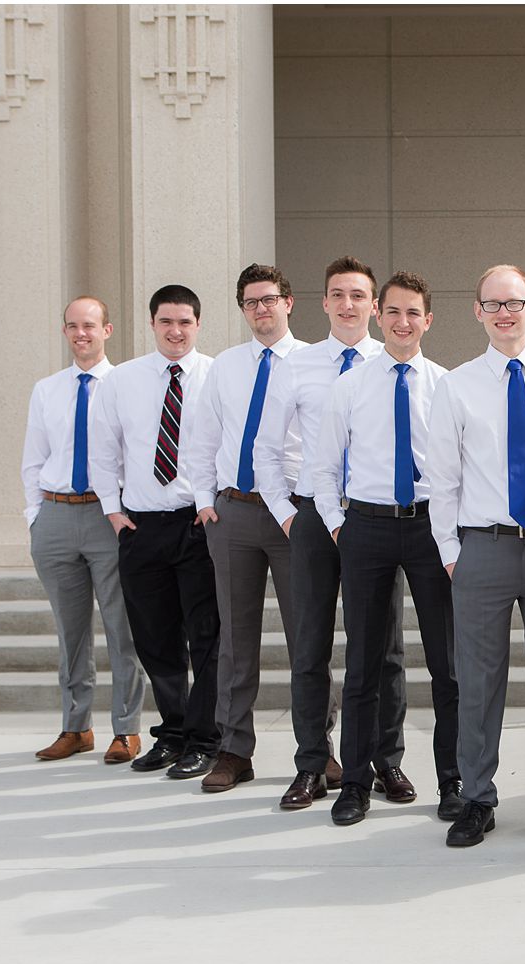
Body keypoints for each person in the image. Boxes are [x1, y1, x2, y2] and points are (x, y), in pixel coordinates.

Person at [425, 264, 525, 848]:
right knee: (478, 680)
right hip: (481, 549)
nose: (505, 313)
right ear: (478, 312)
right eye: (494, 304)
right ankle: (477, 796)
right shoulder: (456, 385)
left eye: (515, 302)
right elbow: (443, 477)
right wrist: (450, 552)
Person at [254, 256, 407, 810]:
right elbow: (266, 449)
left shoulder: (395, 360)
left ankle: (384, 761)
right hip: (314, 517)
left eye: (359, 296)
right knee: (311, 644)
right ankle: (313, 763)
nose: (348, 304)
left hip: (374, 517)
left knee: (382, 647)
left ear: (374, 305)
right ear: (323, 302)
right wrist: (288, 514)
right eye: (338, 294)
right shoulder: (297, 366)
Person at [313, 270, 462, 825]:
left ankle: (453, 781)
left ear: (429, 319)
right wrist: (338, 526)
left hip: (429, 529)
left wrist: (450, 533)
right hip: (367, 530)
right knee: (365, 663)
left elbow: (456, 467)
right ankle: (355, 782)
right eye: (393, 312)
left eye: (413, 313)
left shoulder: (446, 385)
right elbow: (323, 468)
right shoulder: (350, 386)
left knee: (447, 666)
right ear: (380, 315)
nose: (403, 323)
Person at [181, 264, 306, 793]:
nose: (261, 309)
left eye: (269, 299)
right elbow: (201, 436)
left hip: (296, 516)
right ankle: (234, 750)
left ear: (289, 303)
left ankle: (316, 752)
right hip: (232, 513)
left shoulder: (314, 363)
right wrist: (204, 501)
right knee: (235, 639)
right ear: (242, 309)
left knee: (309, 637)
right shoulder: (226, 367)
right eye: (251, 302)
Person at [89, 284, 220, 777]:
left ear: (198, 324)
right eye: (166, 321)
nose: (176, 330)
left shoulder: (214, 375)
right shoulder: (122, 380)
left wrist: (211, 506)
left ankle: (205, 739)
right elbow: (103, 450)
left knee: (207, 636)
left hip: (198, 523)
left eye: (185, 321)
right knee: (155, 638)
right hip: (142, 527)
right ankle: (174, 732)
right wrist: (113, 512)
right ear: (152, 324)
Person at [21, 296, 145, 764]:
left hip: (107, 515)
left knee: (121, 626)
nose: (81, 334)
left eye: (90, 325)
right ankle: (75, 727)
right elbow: (33, 459)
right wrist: (35, 518)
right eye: (72, 326)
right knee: (70, 631)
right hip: (55, 517)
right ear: (65, 332)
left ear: (107, 330)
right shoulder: (47, 389)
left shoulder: (126, 384)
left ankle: (126, 729)